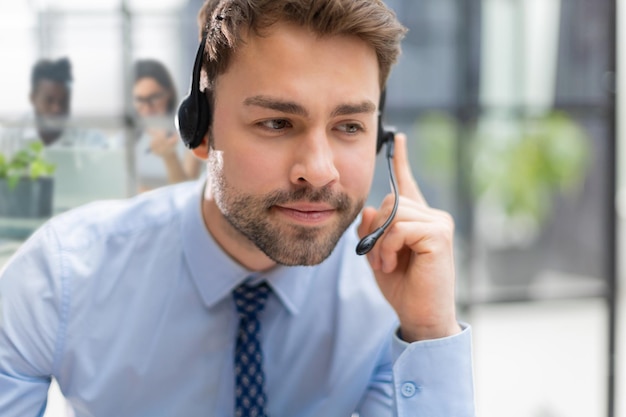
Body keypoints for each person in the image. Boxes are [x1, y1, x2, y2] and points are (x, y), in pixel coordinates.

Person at [0, 1, 476, 416]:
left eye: (349, 126)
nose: (318, 170)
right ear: (200, 130)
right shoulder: (61, 278)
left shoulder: (384, 292)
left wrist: (428, 332)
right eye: (276, 122)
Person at [0, 57, 109, 158]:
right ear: (32, 99)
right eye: (49, 101)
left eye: (63, 101)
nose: (56, 108)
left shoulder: (91, 139)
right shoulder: (9, 138)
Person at [132, 59, 202, 191]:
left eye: (154, 98)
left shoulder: (190, 133)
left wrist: (170, 157)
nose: (147, 108)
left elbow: (186, 192)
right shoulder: (127, 138)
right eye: (139, 100)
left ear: (169, 93)